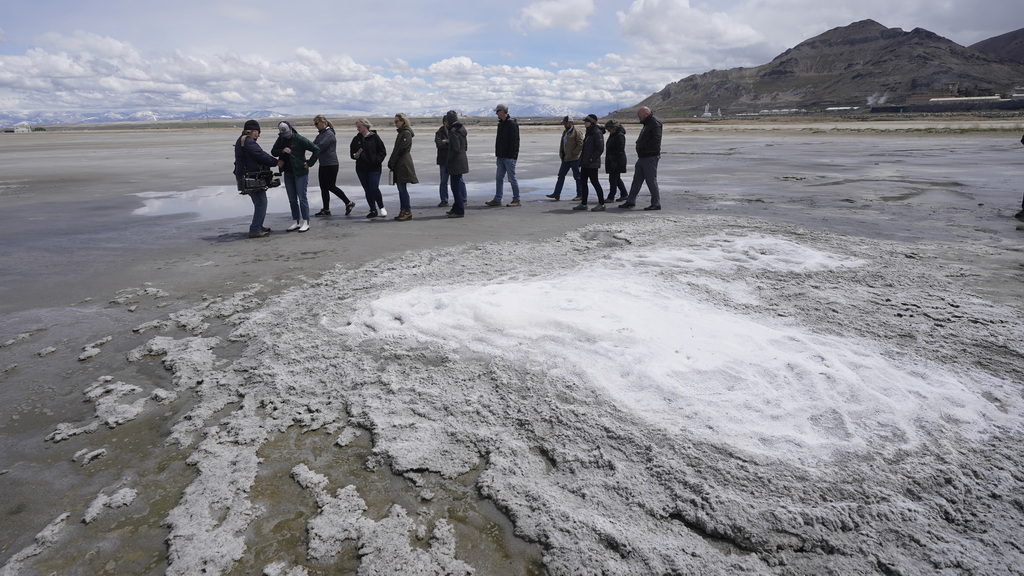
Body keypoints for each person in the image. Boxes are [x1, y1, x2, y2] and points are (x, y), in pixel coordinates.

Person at [233, 120, 284, 238]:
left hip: (246, 176)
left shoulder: (243, 140)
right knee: (261, 203)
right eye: (258, 132)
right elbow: (260, 154)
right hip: (250, 177)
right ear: (253, 131)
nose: (259, 135)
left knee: (259, 202)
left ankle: (258, 226)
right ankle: (255, 229)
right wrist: (276, 162)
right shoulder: (248, 141)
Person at [272, 121, 321, 232]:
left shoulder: (299, 139)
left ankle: (306, 221)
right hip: (288, 172)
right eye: (284, 134)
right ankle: (297, 221)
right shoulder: (281, 139)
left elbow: (316, 149)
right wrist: (282, 150)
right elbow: (273, 151)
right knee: (292, 199)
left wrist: (309, 163)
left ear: (291, 129)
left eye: (288, 133)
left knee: (302, 197)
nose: (286, 135)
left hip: (300, 172)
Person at [619, 106, 662, 211]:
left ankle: (656, 203)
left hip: (650, 156)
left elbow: (655, 140)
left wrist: (643, 146)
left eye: (640, 116)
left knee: (651, 180)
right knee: (637, 180)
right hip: (643, 156)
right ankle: (630, 201)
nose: (639, 119)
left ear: (646, 114)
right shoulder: (648, 123)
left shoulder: (654, 123)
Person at [312, 115, 356, 217]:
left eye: (316, 124)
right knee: (323, 187)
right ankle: (326, 209)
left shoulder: (329, 134)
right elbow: (313, 145)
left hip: (331, 164)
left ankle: (348, 203)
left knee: (330, 186)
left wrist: (310, 147)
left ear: (323, 123)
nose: (315, 126)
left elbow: (319, 147)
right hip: (323, 164)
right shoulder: (321, 134)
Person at [350, 118, 388, 218]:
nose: (358, 128)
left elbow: (382, 151)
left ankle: (381, 207)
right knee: (367, 189)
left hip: (374, 167)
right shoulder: (356, 139)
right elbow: (352, 153)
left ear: (366, 126)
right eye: (357, 127)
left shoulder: (375, 137)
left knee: (374, 187)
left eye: (359, 126)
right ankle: (373, 209)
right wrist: (355, 155)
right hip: (361, 168)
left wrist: (377, 160)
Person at [487, 103, 521, 207]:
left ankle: (516, 199)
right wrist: (498, 153)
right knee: (499, 178)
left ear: (502, 111)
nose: (496, 113)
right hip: (501, 156)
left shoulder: (512, 124)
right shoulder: (501, 124)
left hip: (509, 157)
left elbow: (515, 141)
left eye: (497, 111)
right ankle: (497, 199)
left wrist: (512, 156)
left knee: (512, 178)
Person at [388, 113, 418, 222]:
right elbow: (397, 149)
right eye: (395, 121)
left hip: (403, 163)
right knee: (401, 189)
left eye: (397, 121)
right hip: (399, 163)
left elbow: (401, 149)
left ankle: (407, 211)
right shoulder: (401, 133)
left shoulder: (406, 133)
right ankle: (403, 210)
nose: (395, 123)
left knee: (402, 189)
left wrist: (393, 161)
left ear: (403, 121)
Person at [545, 116, 583, 201]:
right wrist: (562, 154)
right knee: (561, 176)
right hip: (565, 158)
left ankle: (580, 194)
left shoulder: (577, 132)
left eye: (565, 123)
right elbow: (563, 144)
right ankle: (556, 193)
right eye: (564, 124)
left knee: (577, 177)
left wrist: (574, 153)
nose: (564, 125)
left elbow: (580, 144)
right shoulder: (565, 132)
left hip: (575, 159)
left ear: (570, 123)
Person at [574, 114, 607, 211]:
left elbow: (600, 148)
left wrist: (592, 159)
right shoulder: (589, 132)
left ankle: (601, 203)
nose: (585, 123)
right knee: (583, 182)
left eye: (586, 122)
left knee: (595, 182)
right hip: (585, 162)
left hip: (592, 163)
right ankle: (584, 203)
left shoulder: (597, 132)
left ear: (591, 122)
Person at [444, 110, 469, 218]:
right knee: (456, 185)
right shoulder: (461, 129)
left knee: (455, 187)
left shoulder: (453, 131)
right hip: (462, 160)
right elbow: (465, 147)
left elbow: (456, 148)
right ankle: (456, 207)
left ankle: (459, 210)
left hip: (456, 163)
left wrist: (449, 160)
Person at [604, 119, 629, 202]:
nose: (608, 131)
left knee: (613, 179)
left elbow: (620, 150)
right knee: (616, 179)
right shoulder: (614, 135)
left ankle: (611, 196)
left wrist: (614, 160)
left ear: (614, 128)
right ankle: (624, 194)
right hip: (613, 160)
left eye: (609, 129)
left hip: (617, 161)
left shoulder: (619, 136)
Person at [434, 122, 451, 207]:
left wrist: (447, 141)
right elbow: (439, 145)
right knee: (443, 181)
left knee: (459, 181)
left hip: (453, 160)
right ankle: (444, 200)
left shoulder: (454, 131)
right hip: (443, 160)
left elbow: (457, 144)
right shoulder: (439, 132)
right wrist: (449, 144)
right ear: (444, 123)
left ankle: (463, 198)